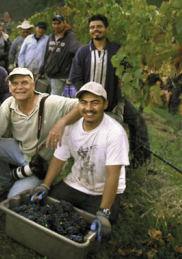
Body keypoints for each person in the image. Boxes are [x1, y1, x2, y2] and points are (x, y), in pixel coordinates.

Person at [31, 82, 130, 238]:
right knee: (48, 208)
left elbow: (113, 175)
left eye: (95, 102)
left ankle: (105, 210)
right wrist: (45, 185)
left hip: (102, 190)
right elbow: (58, 160)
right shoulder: (71, 128)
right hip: (76, 183)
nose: (89, 108)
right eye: (84, 102)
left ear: (105, 105)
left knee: (99, 227)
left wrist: (104, 212)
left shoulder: (115, 133)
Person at [0, 67, 80, 198]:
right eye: (15, 83)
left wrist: (62, 122)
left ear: (33, 85)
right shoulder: (9, 103)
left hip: (43, 162)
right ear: (10, 88)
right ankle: (5, 182)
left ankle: (47, 179)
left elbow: (81, 105)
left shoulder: (50, 102)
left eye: (24, 83)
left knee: (13, 198)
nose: (19, 87)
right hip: (21, 152)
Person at [68, 14, 150, 164]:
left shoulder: (118, 51)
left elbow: (128, 73)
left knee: (138, 122)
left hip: (113, 101)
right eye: (92, 27)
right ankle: (82, 159)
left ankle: (140, 161)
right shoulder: (83, 52)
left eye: (99, 26)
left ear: (106, 29)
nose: (95, 30)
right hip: (89, 103)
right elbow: (76, 77)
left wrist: (124, 88)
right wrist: (85, 99)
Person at [41, 14, 81, 95]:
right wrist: (42, 69)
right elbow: (47, 54)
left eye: (58, 23)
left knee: (59, 97)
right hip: (52, 72)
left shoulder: (71, 36)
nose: (56, 26)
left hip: (64, 74)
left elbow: (78, 52)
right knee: (55, 97)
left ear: (63, 23)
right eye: (54, 24)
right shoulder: (51, 37)